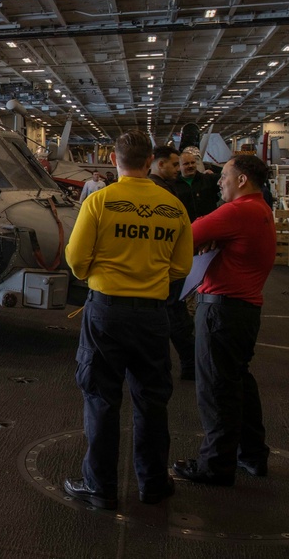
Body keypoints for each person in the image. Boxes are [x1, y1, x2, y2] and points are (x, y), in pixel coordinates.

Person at [63, 130, 193, 509]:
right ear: (150, 161)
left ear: (115, 161)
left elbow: (75, 260)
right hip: (152, 315)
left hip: (106, 311)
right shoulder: (173, 208)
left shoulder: (100, 202)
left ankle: (100, 487)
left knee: (102, 398)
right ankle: (153, 483)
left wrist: (100, 274)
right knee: (152, 400)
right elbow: (181, 266)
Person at [173, 155, 276, 486]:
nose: (219, 181)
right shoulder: (260, 210)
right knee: (237, 383)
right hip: (244, 310)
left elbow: (187, 235)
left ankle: (215, 466)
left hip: (221, 311)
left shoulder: (237, 211)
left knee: (216, 389)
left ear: (242, 180)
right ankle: (252, 454)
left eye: (225, 176)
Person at [150, 146, 195, 379]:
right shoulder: (160, 192)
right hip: (164, 268)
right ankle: (187, 363)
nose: (180, 169)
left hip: (165, 267)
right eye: (175, 164)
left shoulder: (167, 188)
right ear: (160, 164)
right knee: (174, 316)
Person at [175, 148, 219, 221]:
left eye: (193, 162)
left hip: (209, 225)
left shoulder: (209, 179)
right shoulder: (173, 185)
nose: (190, 166)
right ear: (179, 167)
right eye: (186, 164)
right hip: (187, 226)